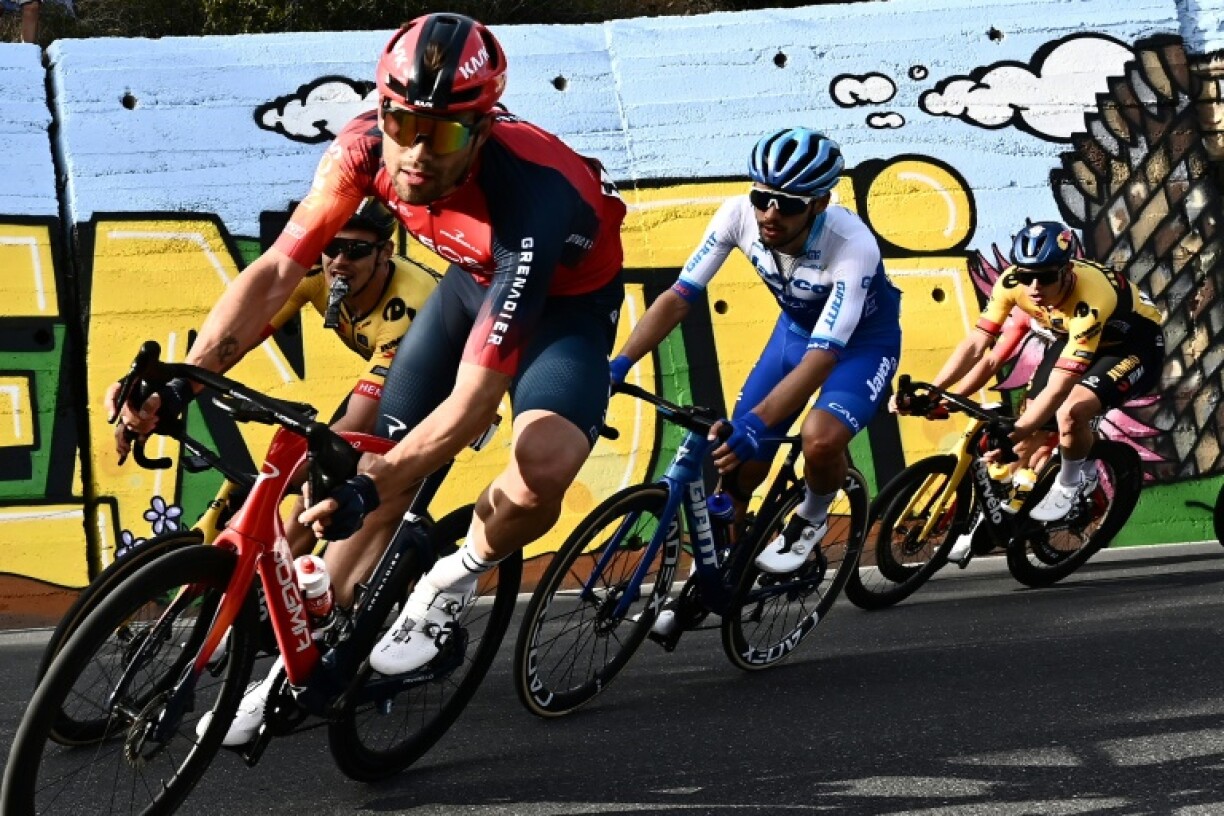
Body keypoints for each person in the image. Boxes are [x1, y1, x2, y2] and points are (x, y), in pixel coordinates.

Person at [110, 12, 626, 745]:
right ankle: (306, 650)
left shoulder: (527, 196)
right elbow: (278, 272)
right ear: (381, 109)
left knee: (540, 465)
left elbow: (475, 398)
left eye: (443, 133)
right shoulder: (358, 149)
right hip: (471, 288)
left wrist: (375, 483)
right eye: (402, 122)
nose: (415, 152)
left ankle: (454, 579)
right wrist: (186, 379)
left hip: (565, 309)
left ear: (481, 129)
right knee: (355, 490)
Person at [610, 127, 902, 601]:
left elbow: (825, 356)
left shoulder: (852, 245)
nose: (769, 213)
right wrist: (618, 364)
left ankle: (811, 515)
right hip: (793, 337)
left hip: (860, 347)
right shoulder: (737, 216)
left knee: (819, 438)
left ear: (819, 204)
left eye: (787, 204)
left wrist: (755, 423)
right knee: (738, 468)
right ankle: (726, 571)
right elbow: (680, 298)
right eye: (762, 197)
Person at [899, 220, 1164, 526]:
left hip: (1132, 347)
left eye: (1046, 278)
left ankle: (1071, 482)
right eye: (1027, 277)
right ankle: (1016, 507)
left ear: (1067, 272)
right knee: (1031, 423)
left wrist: (1013, 435)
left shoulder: (1090, 299)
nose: (1035, 289)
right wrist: (935, 392)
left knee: (1070, 412)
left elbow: (1060, 385)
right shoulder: (1013, 284)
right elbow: (978, 346)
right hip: (1075, 341)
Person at [266, 197, 438, 554]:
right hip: (386, 374)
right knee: (311, 494)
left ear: (384, 252)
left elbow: (360, 419)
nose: (340, 261)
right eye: (332, 246)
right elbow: (245, 330)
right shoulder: (317, 274)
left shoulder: (407, 305)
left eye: (356, 250)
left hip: (437, 389)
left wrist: (275, 481)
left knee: (352, 528)